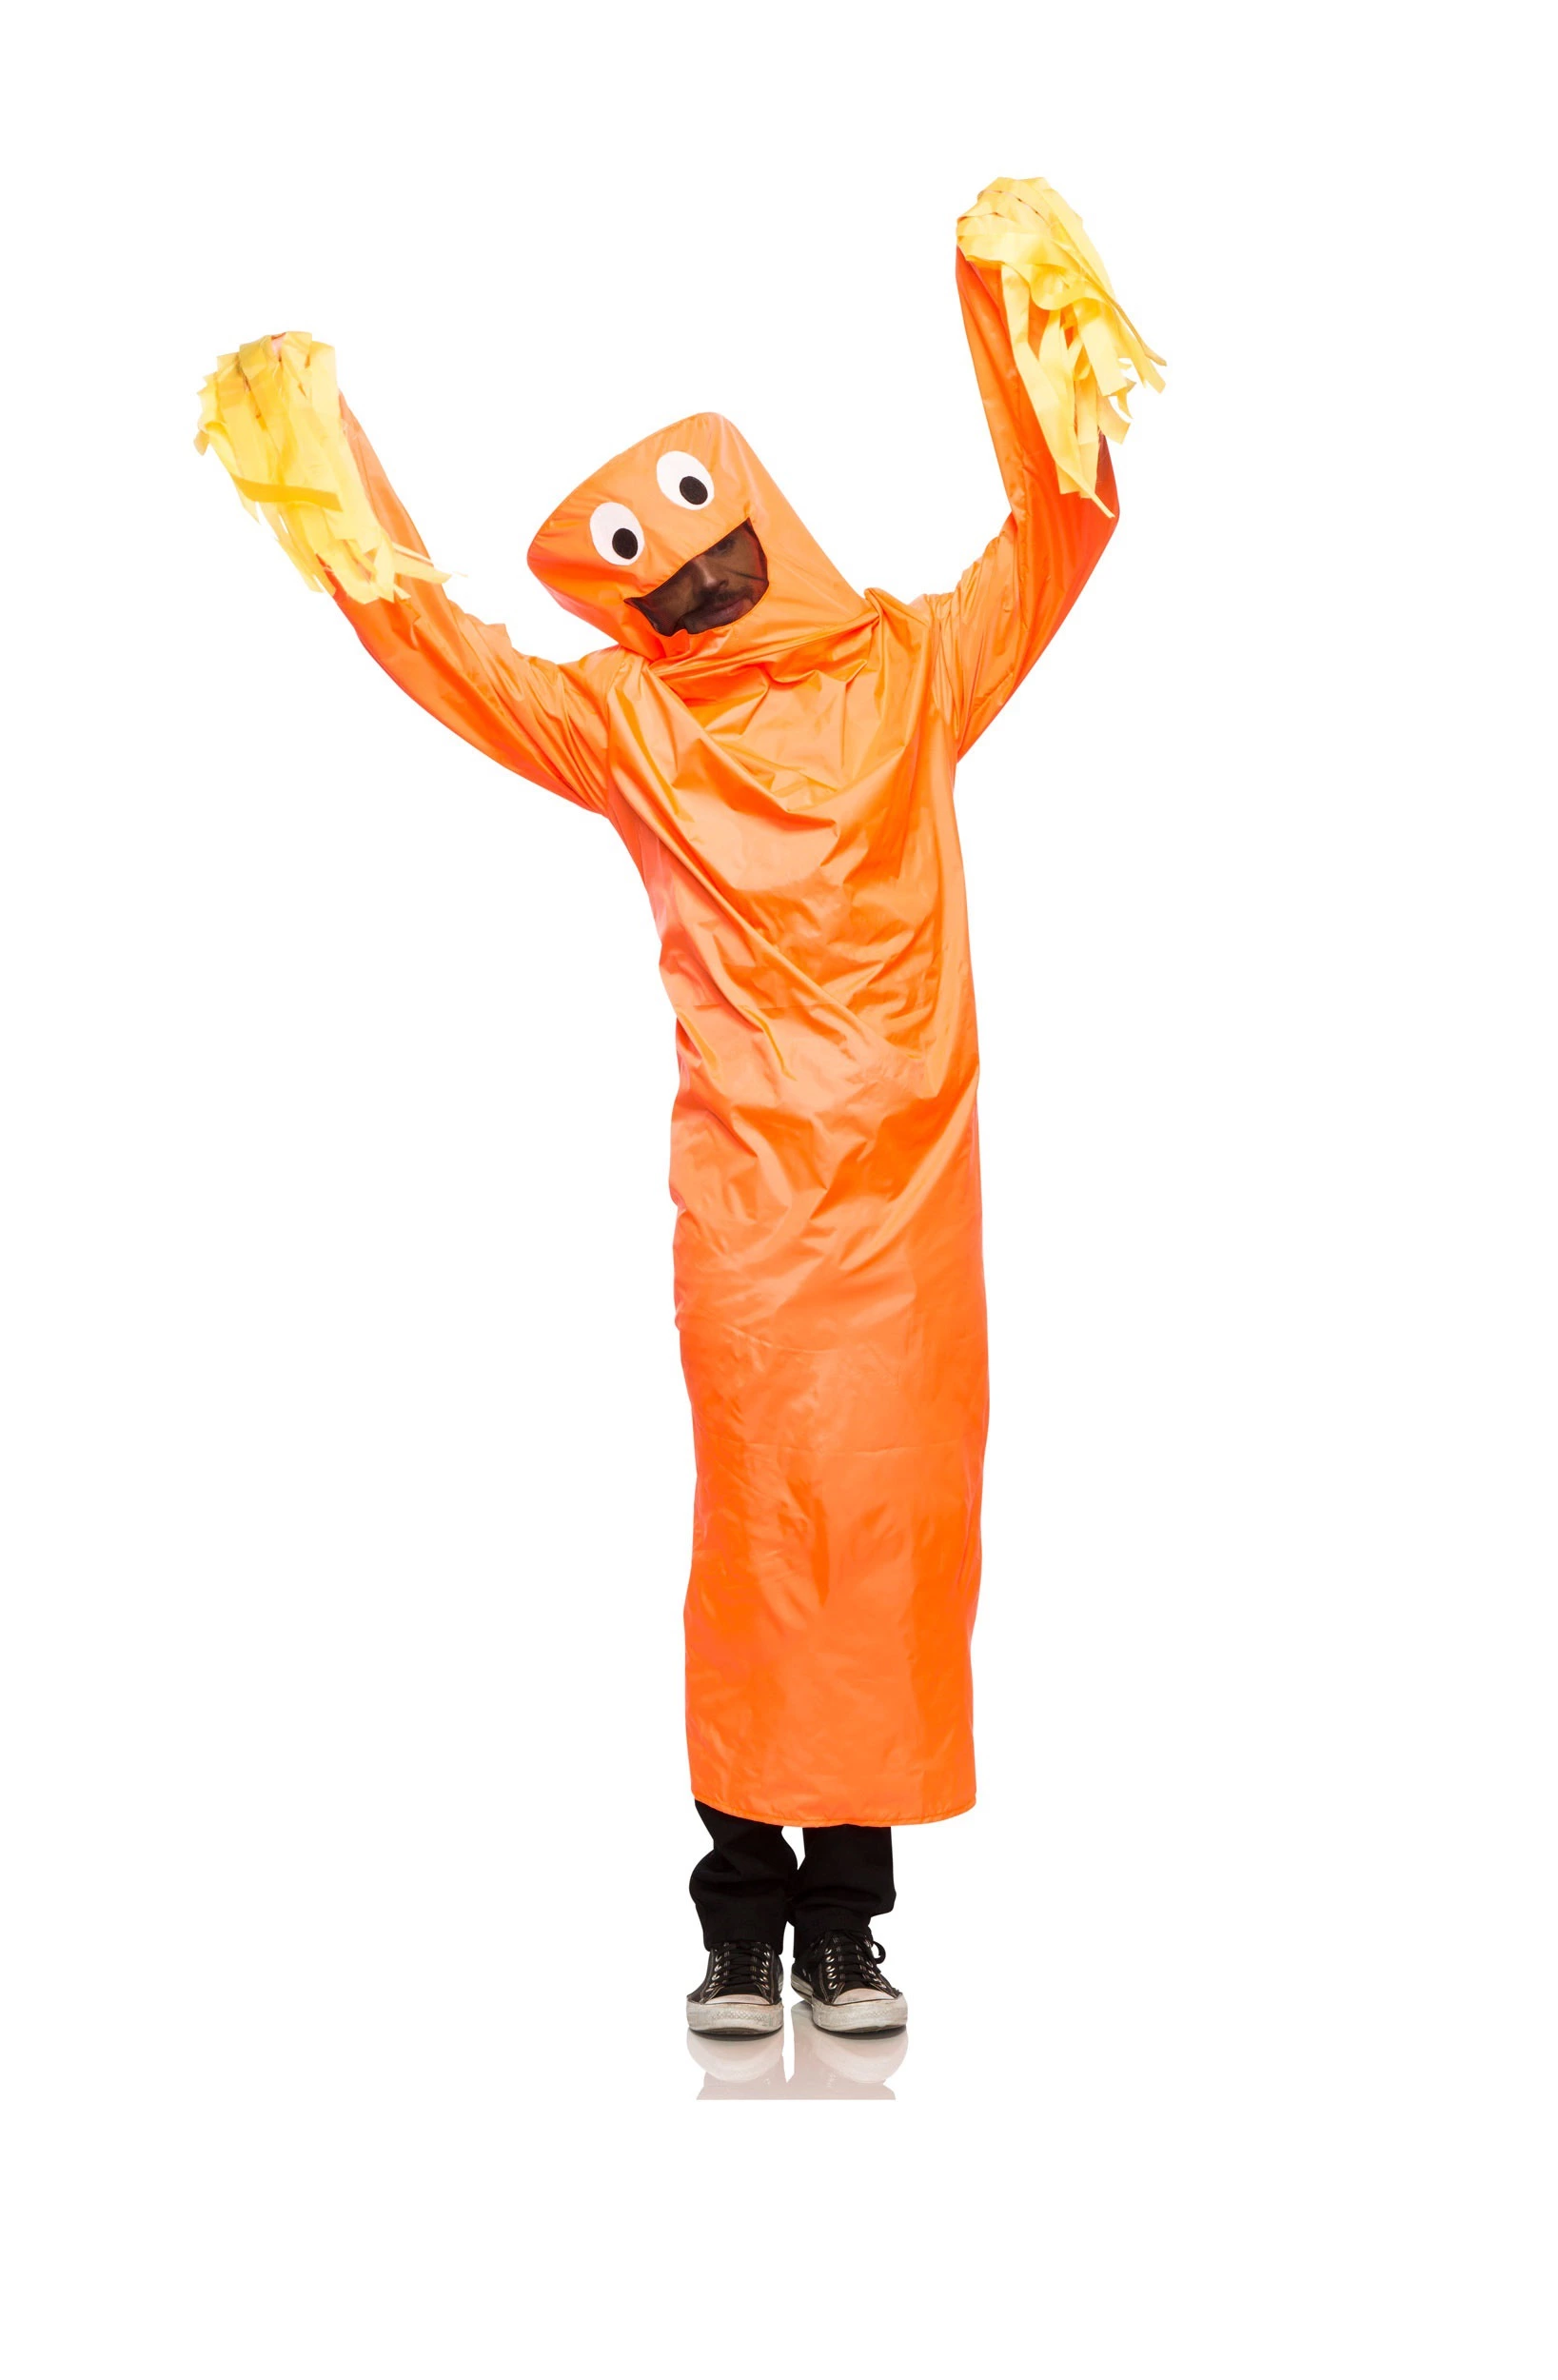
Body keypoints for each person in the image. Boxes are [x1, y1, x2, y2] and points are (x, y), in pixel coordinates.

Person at [196, 178, 1159, 2041]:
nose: (698, 572)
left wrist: (1016, 297)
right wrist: (325, 475)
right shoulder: (641, 727)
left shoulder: (907, 673)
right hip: (751, 1217)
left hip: (902, 1216)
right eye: (656, 555)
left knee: (880, 1531)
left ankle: (844, 1920)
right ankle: (739, 1918)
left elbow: (1060, 525)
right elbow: (445, 653)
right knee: (766, 1531)